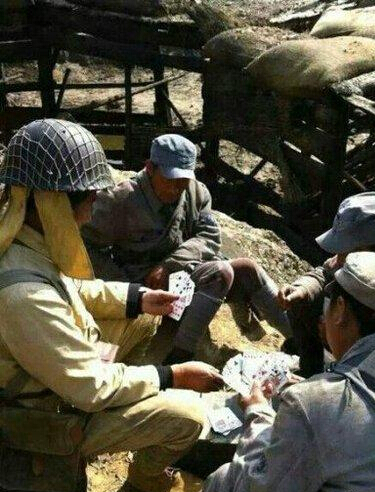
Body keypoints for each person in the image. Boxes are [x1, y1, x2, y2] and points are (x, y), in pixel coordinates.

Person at [0, 119, 224, 492]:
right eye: (90, 200)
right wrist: (171, 376)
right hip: (42, 409)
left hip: (58, 374)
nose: (92, 212)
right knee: (189, 416)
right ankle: (140, 479)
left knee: (144, 319)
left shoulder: (21, 235)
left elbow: (70, 288)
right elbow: (90, 387)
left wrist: (137, 298)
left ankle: (118, 405)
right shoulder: (24, 297)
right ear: (56, 203)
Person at [204, 251, 375, 492]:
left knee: (223, 479)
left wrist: (257, 412)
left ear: (340, 309)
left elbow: (257, 486)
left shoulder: (312, 403)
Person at [82, 134, 290, 363]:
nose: (177, 188)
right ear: (150, 168)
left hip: (183, 277)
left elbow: (209, 236)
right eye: (170, 179)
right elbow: (86, 246)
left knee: (246, 269)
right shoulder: (120, 200)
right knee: (221, 272)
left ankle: (300, 339)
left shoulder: (196, 192)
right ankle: (179, 358)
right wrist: (127, 290)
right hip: (140, 286)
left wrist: (169, 266)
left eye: (183, 180)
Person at [279, 191, 375, 377]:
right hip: (360, 332)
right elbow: (326, 272)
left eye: (347, 253)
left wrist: (339, 338)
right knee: (302, 302)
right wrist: (303, 289)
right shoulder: (373, 243)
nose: (340, 259)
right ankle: (311, 373)